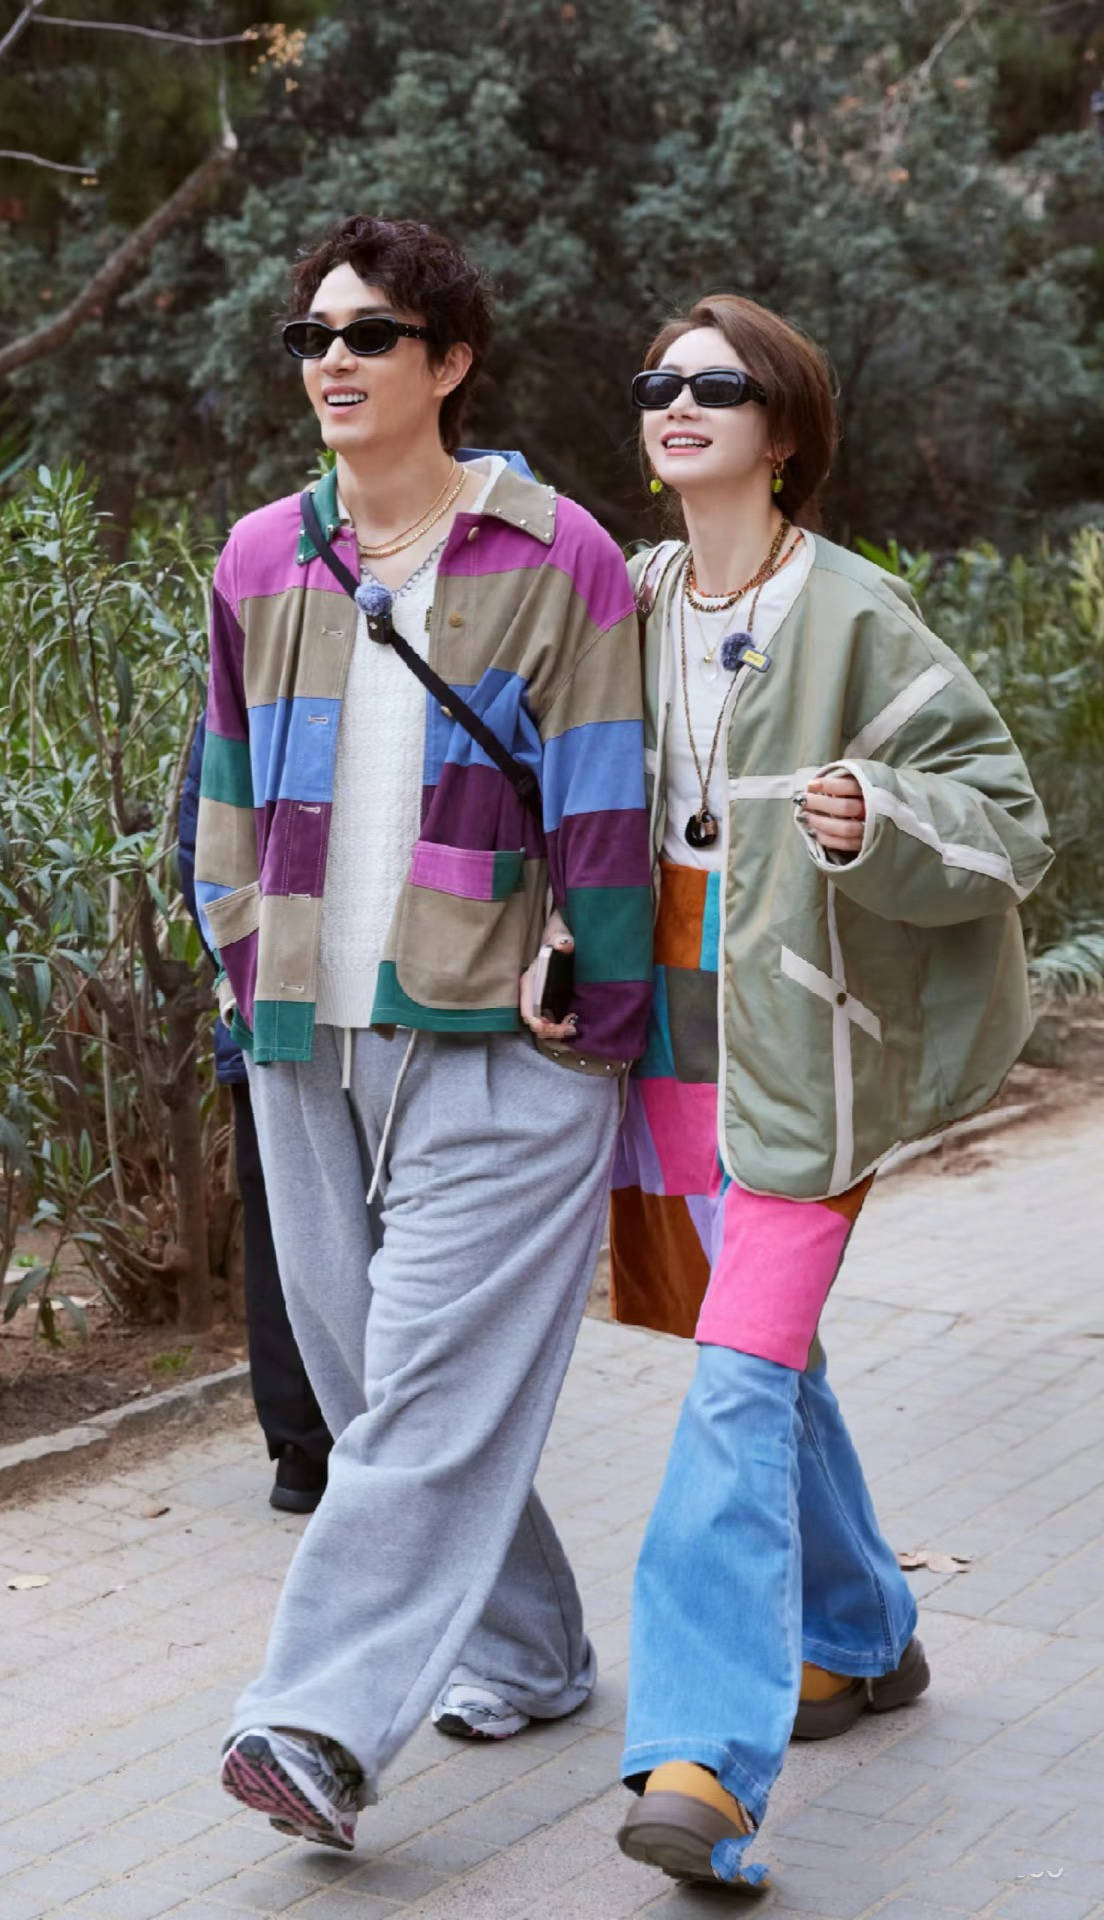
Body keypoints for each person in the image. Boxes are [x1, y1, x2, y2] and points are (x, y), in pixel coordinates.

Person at [195, 214, 652, 1851]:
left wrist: (599, 999)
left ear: (448, 363)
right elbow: (224, 781)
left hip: (503, 1038)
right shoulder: (265, 555)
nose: (333, 359)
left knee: (428, 1388)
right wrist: (237, 950)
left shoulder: (557, 553)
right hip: (307, 1032)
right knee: (376, 1385)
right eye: (314, 335)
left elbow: (604, 794)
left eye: (371, 334)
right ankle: (528, 1652)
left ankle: (314, 1723)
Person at [599, 294, 1051, 1888]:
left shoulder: (855, 611)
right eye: (658, 381)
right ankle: (860, 1633)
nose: (678, 403)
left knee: (733, 1385)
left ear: (784, 429)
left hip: (805, 1050)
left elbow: (1008, 817)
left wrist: (876, 815)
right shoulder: (628, 597)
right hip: (663, 1040)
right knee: (761, 1358)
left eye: (717, 385)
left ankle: (703, 1767)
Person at [178, 718, 332, 1514]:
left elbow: (198, 855)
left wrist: (238, 970)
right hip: (318, 1014)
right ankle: (338, 1444)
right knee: (334, 1225)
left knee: (283, 1228)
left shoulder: (239, 698)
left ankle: (302, 1453)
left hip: (261, 1007)